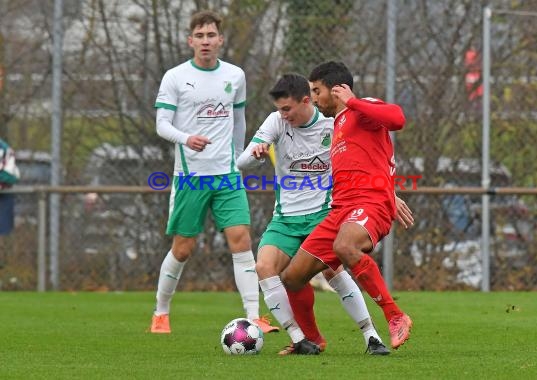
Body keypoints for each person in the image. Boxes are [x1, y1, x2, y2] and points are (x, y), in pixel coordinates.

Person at [237, 73, 413, 355]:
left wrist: (387, 193)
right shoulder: (277, 121)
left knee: (337, 262)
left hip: (323, 212)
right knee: (272, 270)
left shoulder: (335, 123)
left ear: (306, 101)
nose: (282, 114)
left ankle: (372, 335)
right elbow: (241, 161)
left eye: (287, 108)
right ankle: (304, 339)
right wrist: (257, 151)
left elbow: (365, 159)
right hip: (286, 218)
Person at [149, 10, 278, 334]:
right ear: (190, 40)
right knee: (183, 247)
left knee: (241, 240)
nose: (206, 41)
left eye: (211, 36)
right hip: (191, 176)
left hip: (227, 175)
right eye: (200, 36)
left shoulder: (235, 75)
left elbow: (239, 123)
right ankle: (161, 312)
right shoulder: (175, 77)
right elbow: (162, 125)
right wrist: (186, 139)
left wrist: (238, 158)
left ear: (220, 40)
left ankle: (254, 316)